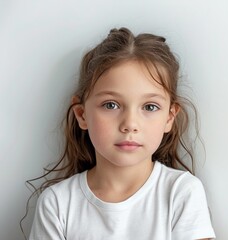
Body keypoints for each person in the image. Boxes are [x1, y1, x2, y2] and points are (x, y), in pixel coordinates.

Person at [27, 27, 215, 240]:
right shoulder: (57, 203)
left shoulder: (181, 192)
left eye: (150, 107)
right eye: (111, 105)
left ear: (169, 117)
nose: (130, 124)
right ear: (81, 114)